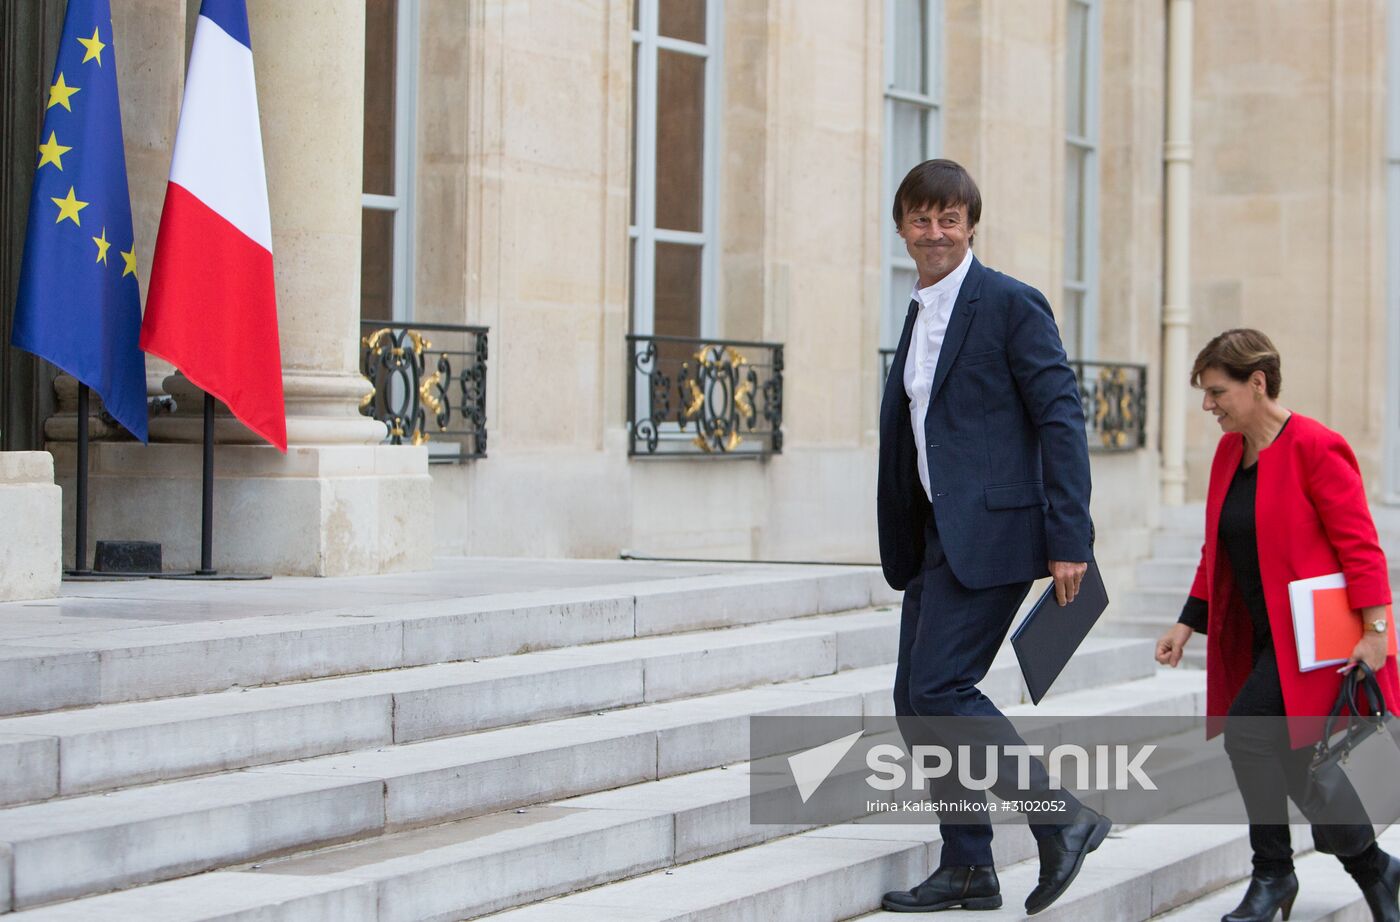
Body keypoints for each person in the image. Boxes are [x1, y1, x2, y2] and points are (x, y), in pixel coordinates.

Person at [876, 159, 1107, 915]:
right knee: (917, 701)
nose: (935, 232)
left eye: (949, 219)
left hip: (1000, 533)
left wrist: (1070, 534)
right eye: (921, 219)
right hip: (938, 535)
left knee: (942, 686)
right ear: (902, 227)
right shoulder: (919, 309)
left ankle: (1063, 817)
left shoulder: (1009, 303)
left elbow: (1061, 418)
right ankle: (969, 865)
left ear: (972, 224)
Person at [1156, 329, 1400, 922]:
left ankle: (1273, 876)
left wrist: (1376, 633)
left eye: (1218, 393)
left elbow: (1361, 547)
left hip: (1317, 645)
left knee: (1248, 735)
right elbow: (1215, 548)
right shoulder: (1228, 453)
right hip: (1258, 638)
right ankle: (1377, 872)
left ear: (1257, 383)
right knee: (1296, 764)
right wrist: (1190, 620)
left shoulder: (1317, 447)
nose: (1209, 406)